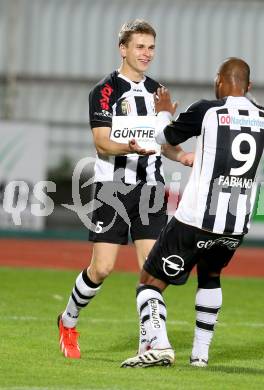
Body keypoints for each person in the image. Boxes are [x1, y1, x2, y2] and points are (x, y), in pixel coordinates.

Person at [120, 57, 264, 368]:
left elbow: (164, 137)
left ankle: (161, 346)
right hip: (235, 225)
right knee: (210, 277)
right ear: (249, 87)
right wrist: (248, 95)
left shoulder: (208, 109)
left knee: (148, 283)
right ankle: (200, 357)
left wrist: (164, 109)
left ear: (220, 80)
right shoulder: (263, 116)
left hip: (196, 219)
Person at [57, 19, 193, 359]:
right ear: (123, 49)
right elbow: (101, 142)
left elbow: (163, 142)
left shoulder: (158, 92)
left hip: (150, 191)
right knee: (102, 268)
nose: (146, 54)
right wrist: (131, 146)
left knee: (152, 272)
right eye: (139, 47)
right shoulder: (105, 91)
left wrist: (183, 155)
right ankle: (68, 320)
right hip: (112, 189)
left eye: (150, 47)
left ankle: (150, 342)